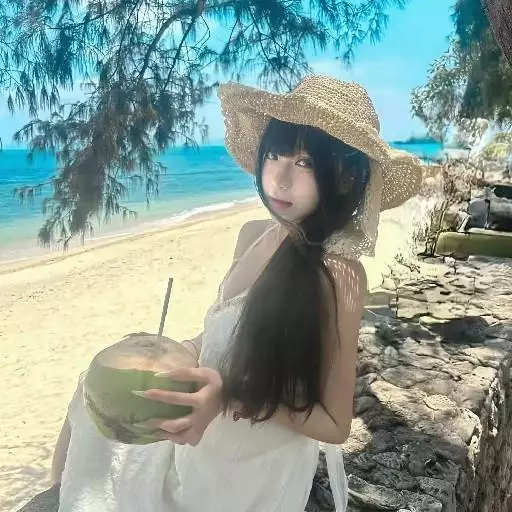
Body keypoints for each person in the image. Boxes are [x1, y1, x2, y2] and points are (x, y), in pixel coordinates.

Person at [51, 75, 422, 512]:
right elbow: (221, 335)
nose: (280, 178)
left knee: (108, 466)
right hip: (204, 433)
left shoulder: (340, 275)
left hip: (246, 472)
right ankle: (53, 496)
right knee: (91, 390)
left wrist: (227, 395)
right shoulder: (252, 234)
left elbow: (335, 424)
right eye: (275, 154)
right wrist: (175, 350)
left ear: (346, 176)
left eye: (305, 162)